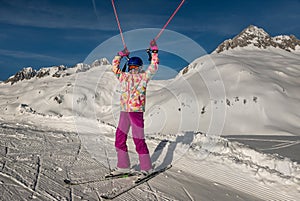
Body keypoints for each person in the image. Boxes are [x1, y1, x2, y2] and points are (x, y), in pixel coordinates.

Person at [109, 40, 159, 176]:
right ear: (129, 67)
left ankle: (147, 168)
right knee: (119, 138)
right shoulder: (123, 77)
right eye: (131, 67)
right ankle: (123, 166)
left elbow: (154, 66)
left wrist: (154, 52)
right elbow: (114, 67)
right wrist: (120, 54)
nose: (134, 70)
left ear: (140, 68)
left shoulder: (143, 77)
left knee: (138, 139)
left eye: (136, 68)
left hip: (136, 112)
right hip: (124, 111)